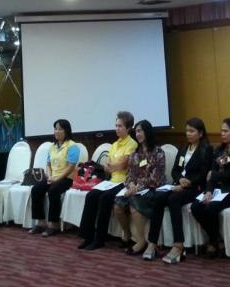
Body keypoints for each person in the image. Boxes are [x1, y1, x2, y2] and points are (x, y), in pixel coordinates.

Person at [145, 117, 213, 264]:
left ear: (201, 133)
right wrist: (180, 179)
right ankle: (152, 242)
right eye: (187, 131)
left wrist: (188, 182)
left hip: (196, 187)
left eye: (192, 131)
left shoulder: (206, 150)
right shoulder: (183, 148)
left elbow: (204, 174)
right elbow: (175, 170)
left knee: (173, 199)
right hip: (179, 185)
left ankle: (178, 244)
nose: (188, 134)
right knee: (159, 197)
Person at [78, 111, 137, 250]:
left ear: (128, 128)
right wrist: (114, 165)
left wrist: (114, 165)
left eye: (120, 126)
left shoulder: (132, 144)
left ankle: (100, 238)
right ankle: (87, 236)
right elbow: (107, 167)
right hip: (111, 180)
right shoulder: (115, 144)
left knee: (105, 198)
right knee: (91, 195)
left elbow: (123, 165)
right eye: (116, 125)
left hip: (124, 181)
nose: (117, 128)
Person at [191, 117, 230, 258]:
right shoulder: (219, 150)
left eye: (226, 131)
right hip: (216, 189)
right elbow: (210, 175)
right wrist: (208, 192)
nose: (222, 134)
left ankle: (213, 242)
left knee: (211, 208)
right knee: (196, 206)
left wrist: (215, 175)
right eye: (221, 131)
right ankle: (215, 237)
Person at [113, 120, 166, 257]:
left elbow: (156, 178)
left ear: (147, 132)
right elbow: (129, 175)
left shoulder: (158, 152)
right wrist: (131, 185)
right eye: (136, 131)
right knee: (117, 206)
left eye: (140, 131)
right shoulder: (135, 153)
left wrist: (137, 187)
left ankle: (141, 241)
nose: (137, 134)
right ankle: (127, 234)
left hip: (153, 189)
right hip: (135, 189)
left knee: (134, 204)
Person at [29, 119, 80, 236]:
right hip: (53, 177)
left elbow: (71, 167)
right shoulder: (52, 146)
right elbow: (48, 164)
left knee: (53, 190)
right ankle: (41, 223)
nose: (57, 131)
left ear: (66, 131)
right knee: (36, 189)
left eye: (60, 129)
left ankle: (54, 224)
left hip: (67, 178)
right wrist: (50, 176)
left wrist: (57, 179)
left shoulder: (72, 146)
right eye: (55, 129)